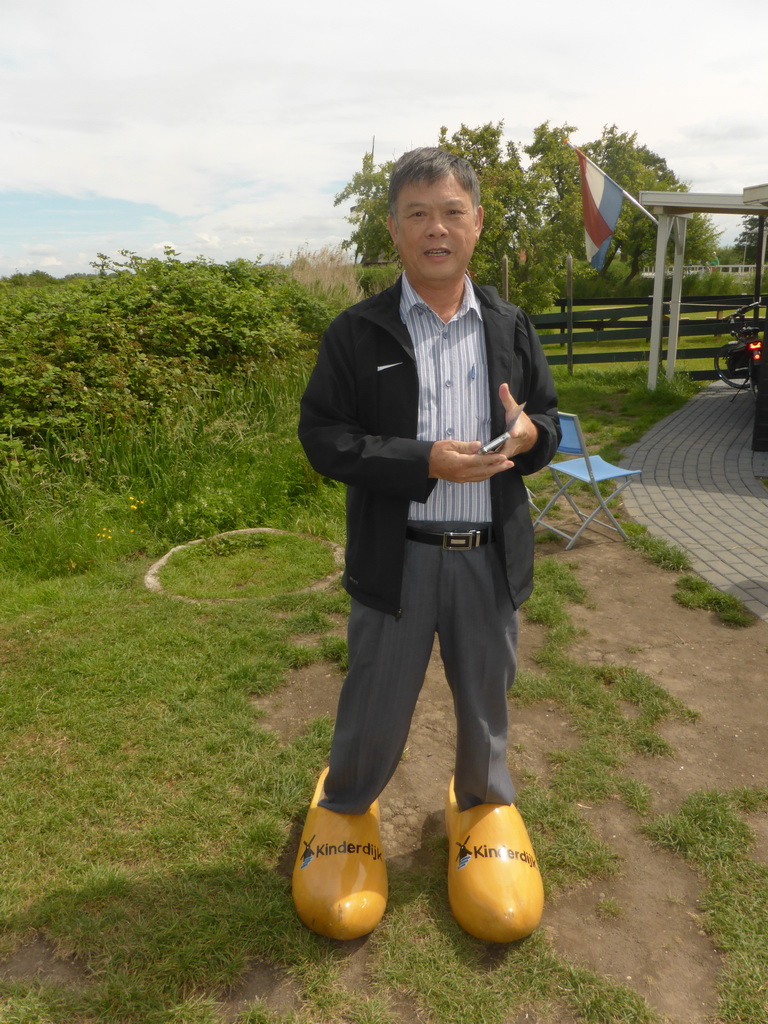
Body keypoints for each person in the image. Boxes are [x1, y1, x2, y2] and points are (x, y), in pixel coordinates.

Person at [294, 147, 560, 942]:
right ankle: (346, 806)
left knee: (487, 703)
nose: (435, 229)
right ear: (393, 229)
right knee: (375, 703)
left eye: (451, 212)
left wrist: (527, 434)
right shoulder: (357, 330)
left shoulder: (511, 326)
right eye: (417, 214)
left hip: (487, 554)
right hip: (397, 556)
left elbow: (545, 422)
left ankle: (481, 805)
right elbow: (323, 438)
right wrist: (422, 461)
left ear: (477, 222)